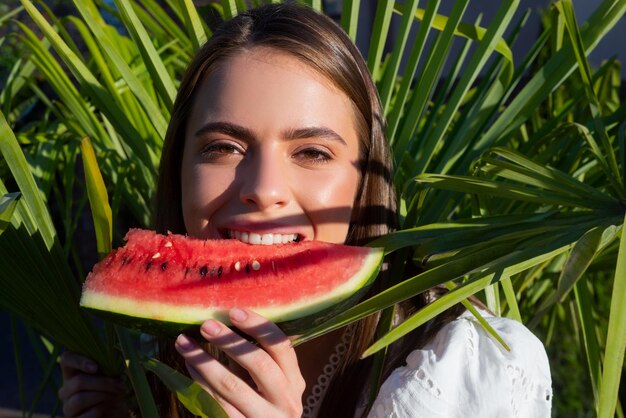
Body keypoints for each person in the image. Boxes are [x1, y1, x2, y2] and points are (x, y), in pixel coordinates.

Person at [59, 3, 553, 417]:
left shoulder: (463, 368)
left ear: (365, 181)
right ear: (180, 167)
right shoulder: (151, 362)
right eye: (224, 147)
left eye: (312, 152)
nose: (263, 190)